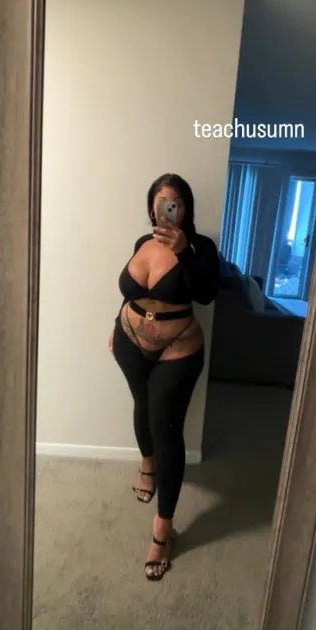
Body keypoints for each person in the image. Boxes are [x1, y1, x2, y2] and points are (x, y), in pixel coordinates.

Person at [108, 172, 220, 580]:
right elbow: (130, 291)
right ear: (152, 208)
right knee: (142, 406)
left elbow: (206, 293)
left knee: (166, 426)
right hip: (129, 338)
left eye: (177, 203)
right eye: (161, 203)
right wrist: (115, 325)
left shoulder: (202, 247)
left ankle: (162, 529)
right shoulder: (143, 242)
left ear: (186, 208)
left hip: (178, 348)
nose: (169, 210)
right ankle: (147, 465)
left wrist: (184, 251)